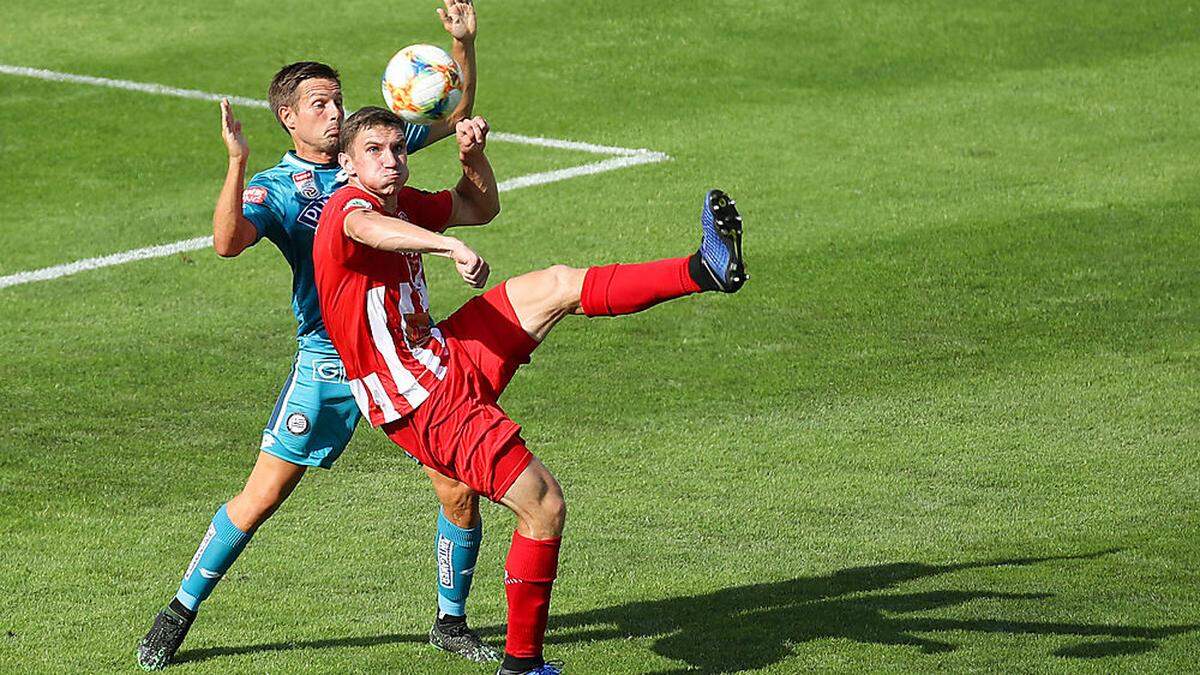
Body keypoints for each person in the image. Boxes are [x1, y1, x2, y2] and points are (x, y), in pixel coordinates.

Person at [312, 106, 746, 675]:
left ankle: (703, 269)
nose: (392, 160)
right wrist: (450, 249)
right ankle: (522, 665)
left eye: (398, 149)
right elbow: (364, 229)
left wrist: (473, 158)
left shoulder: (403, 201)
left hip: (443, 354)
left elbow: (480, 206)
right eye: (375, 151)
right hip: (418, 400)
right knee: (543, 506)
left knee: (557, 285)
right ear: (346, 163)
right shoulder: (348, 206)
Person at [136, 3, 500, 670]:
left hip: (400, 356)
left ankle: (451, 620)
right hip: (329, 363)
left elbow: (450, 111)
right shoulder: (276, 188)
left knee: (456, 485)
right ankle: (179, 609)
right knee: (263, 495)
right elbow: (224, 244)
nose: (335, 112)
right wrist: (237, 164)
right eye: (320, 103)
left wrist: (461, 45)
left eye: (337, 99)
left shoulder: (372, 150)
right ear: (290, 117)